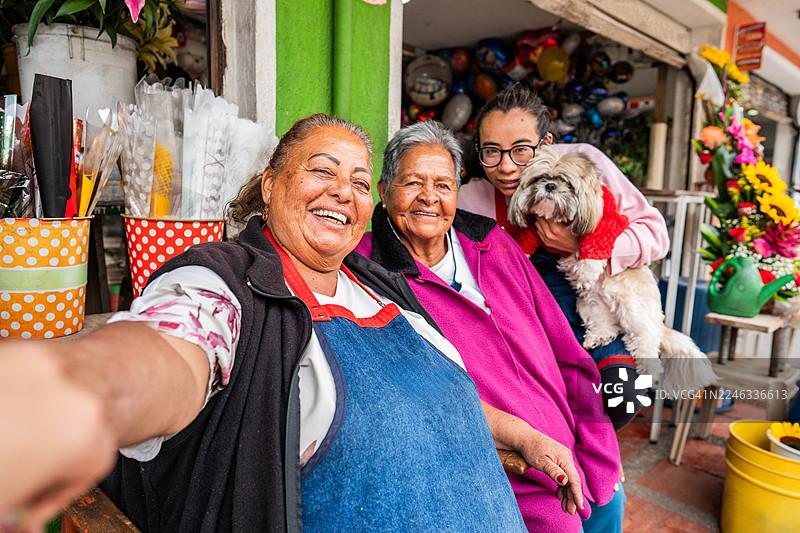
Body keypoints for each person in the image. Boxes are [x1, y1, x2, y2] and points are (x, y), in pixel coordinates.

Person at [0, 114, 583, 532]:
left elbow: (431, 395)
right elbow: (174, 348)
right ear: (272, 182)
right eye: (322, 171)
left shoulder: (385, 287)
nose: (342, 192)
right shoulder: (229, 281)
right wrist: (71, 392)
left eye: (358, 182)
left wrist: (523, 436)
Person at [356, 120, 624, 533]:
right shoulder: (367, 270)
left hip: (578, 449)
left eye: (444, 185)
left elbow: (567, 353)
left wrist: (598, 442)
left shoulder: (495, 244)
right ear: (384, 189)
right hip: (503, 469)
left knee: (612, 503)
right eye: (413, 183)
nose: (430, 197)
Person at [459, 83, 670, 428]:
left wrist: (579, 245)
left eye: (522, 150)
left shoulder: (586, 163)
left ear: (547, 144)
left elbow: (655, 234)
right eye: (492, 151)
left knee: (627, 396)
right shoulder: (472, 199)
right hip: (528, 324)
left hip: (598, 307)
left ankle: (598, 461)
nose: (507, 167)